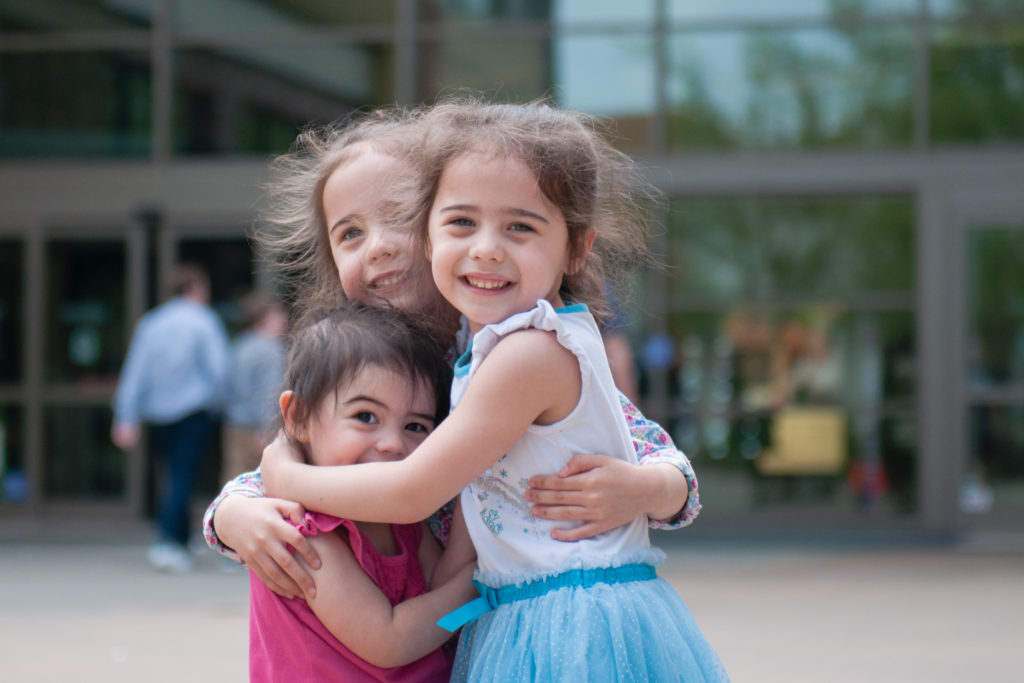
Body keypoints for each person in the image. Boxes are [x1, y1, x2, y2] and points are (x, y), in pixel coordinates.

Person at [260, 100, 728, 681]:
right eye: (350, 232)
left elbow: (644, 444)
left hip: (552, 614)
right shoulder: (365, 355)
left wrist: (653, 486)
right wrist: (236, 508)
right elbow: (306, 449)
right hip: (488, 613)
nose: (484, 248)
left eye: (397, 217)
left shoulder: (523, 346)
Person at [249, 302, 477, 682]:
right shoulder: (304, 532)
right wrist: (478, 589)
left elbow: (443, 577)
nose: (392, 444)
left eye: (416, 427)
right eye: (366, 417)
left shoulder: (403, 521)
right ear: (299, 418)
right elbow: (388, 641)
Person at [112, 263, 229, 572]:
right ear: (196, 289)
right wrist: (218, 405)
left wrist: (126, 415)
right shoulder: (204, 321)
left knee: (172, 476)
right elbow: (219, 371)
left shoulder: (151, 323)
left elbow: (135, 373)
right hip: (193, 412)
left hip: (157, 416)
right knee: (183, 477)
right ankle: (168, 541)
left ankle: (180, 536)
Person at [222, 290, 288, 485]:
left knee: (234, 482)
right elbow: (270, 394)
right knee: (260, 485)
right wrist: (266, 430)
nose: (283, 319)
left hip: (235, 424)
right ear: (265, 319)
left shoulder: (240, 345)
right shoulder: (271, 351)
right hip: (259, 429)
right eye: (278, 315)